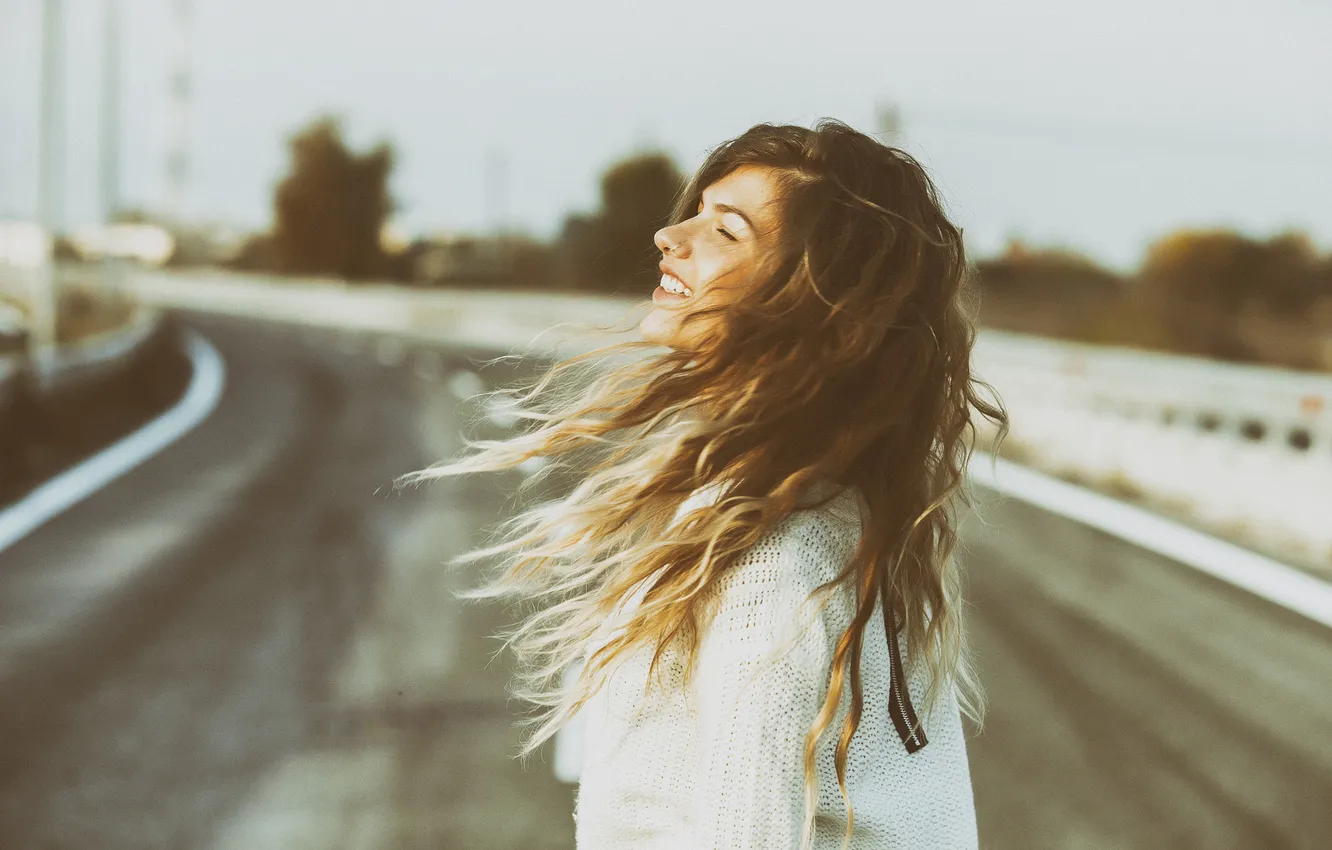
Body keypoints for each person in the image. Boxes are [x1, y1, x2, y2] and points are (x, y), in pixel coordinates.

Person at [399, 118, 1008, 850]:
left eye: (725, 231)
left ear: (814, 300)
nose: (669, 235)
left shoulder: (767, 563)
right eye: (695, 212)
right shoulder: (836, 515)